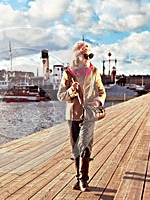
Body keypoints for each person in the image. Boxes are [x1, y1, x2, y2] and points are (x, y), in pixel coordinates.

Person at [57, 41, 106, 192]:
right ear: (78, 57)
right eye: (86, 55)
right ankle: (78, 179)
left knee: (85, 146)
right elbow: (60, 96)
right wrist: (71, 91)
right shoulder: (68, 73)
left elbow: (102, 91)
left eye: (90, 55)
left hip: (89, 115)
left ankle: (83, 179)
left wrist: (98, 100)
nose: (89, 58)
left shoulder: (95, 71)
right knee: (76, 148)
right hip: (73, 115)